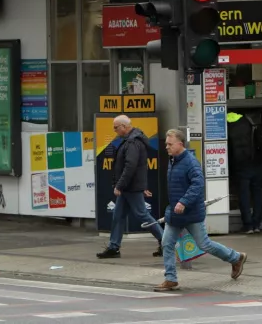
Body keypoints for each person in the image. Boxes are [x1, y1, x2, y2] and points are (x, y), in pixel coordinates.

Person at [154, 129, 247, 292]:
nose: (166, 147)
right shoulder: (173, 160)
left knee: (204, 244)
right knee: (167, 243)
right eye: (166, 144)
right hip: (175, 213)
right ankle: (170, 278)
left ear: (180, 144)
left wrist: (184, 201)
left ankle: (236, 257)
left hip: (191, 213)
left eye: (169, 144)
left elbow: (198, 184)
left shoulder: (190, 162)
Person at [98, 115, 163, 259]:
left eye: (116, 127)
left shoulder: (132, 142)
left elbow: (130, 166)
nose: (114, 130)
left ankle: (166, 241)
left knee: (142, 214)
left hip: (130, 187)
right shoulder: (130, 140)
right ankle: (113, 247)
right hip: (130, 186)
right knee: (118, 215)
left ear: (124, 126)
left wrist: (119, 185)